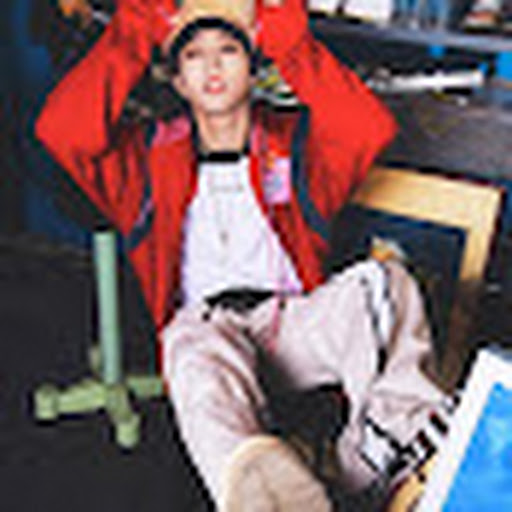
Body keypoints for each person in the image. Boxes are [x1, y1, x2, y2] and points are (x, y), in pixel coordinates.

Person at [36, 0, 450, 509]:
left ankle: (375, 456)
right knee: (189, 349)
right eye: (194, 56)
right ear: (177, 81)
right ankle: (261, 490)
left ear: (254, 70)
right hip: (208, 328)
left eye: (229, 51)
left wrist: (282, 34)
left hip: (291, 325)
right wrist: (138, 27)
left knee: (387, 284)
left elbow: (369, 129)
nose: (212, 66)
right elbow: (62, 132)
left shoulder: (297, 145)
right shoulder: (146, 158)